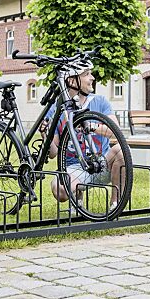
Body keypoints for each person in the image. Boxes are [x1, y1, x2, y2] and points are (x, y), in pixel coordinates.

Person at [40, 62, 125, 211]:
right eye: (86, 74)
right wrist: (44, 135)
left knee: (121, 150)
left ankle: (115, 204)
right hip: (74, 169)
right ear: (72, 81)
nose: (92, 77)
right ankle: (77, 197)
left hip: (101, 163)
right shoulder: (55, 109)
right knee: (60, 191)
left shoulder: (100, 101)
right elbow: (53, 154)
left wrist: (91, 128)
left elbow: (115, 130)